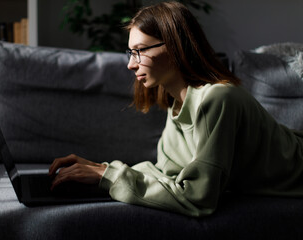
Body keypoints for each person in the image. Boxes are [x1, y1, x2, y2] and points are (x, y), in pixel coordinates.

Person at [48, 1, 303, 217]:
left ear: (175, 46)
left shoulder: (218, 99)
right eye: (130, 52)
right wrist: (98, 169)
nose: (130, 64)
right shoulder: (177, 101)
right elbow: (166, 172)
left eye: (139, 51)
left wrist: (108, 176)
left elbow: (198, 197)